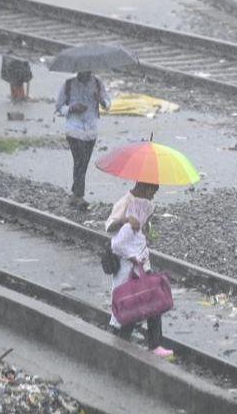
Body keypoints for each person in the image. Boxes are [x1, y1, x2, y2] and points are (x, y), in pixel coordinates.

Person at [105, 182, 172, 357]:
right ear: (146, 188)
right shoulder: (125, 202)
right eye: (153, 192)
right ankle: (121, 338)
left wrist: (146, 225)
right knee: (129, 301)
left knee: (152, 298)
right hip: (126, 264)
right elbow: (109, 227)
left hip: (141, 262)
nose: (153, 196)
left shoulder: (146, 205)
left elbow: (143, 228)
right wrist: (126, 220)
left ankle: (153, 343)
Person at [55, 70, 112, 208]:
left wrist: (100, 100)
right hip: (74, 130)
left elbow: (108, 104)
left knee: (83, 163)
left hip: (91, 130)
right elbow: (59, 107)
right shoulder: (69, 84)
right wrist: (71, 108)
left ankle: (75, 194)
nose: (85, 74)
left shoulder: (97, 83)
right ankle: (79, 195)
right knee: (80, 160)